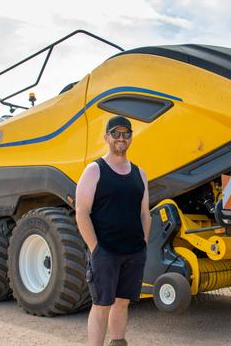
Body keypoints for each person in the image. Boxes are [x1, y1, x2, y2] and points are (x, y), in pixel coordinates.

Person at [75, 115, 151, 346]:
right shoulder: (94, 170)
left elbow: (145, 213)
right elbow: (81, 212)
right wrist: (95, 249)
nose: (121, 138)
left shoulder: (140, 173)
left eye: (126, 133)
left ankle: (118, 342)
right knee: (101, 305)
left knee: (122, 302)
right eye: (115, 134)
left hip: (134, 252)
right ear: (106, 137)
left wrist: (144, 244)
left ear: (130, 137)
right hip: (105, 251)